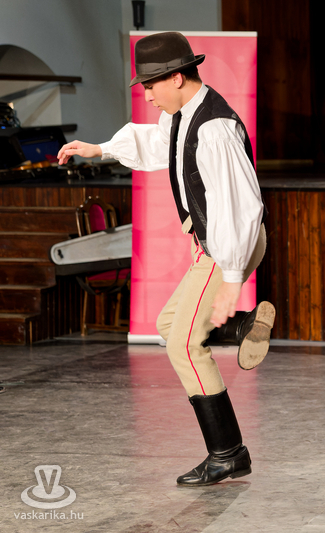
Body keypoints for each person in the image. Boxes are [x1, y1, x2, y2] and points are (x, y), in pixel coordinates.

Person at [57, 32, 275, 486]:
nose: (147, 95)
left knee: (183, 345)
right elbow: (160, 146)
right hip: (215, 246)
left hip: (227, 245)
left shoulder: (214, 128)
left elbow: (241, 207)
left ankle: (228, 453)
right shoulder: (183, 115)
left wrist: (231, 279)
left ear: (176, 77)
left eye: (151, 85)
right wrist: (99, 149)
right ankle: (242, 327)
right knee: (170, 325)